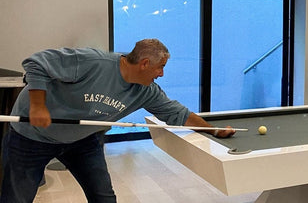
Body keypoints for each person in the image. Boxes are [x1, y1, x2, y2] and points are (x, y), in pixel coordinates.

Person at [1, 38, 234, 203]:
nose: (161, 74)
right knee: (17, 198)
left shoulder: (146, 90)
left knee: (103, 197)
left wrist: (213, 131)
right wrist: (38, 105)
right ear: (144, 64)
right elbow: (36, 63)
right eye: (160, 67)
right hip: (32, 137)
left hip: (82, 142)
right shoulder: (93, 62)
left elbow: (177, 113)